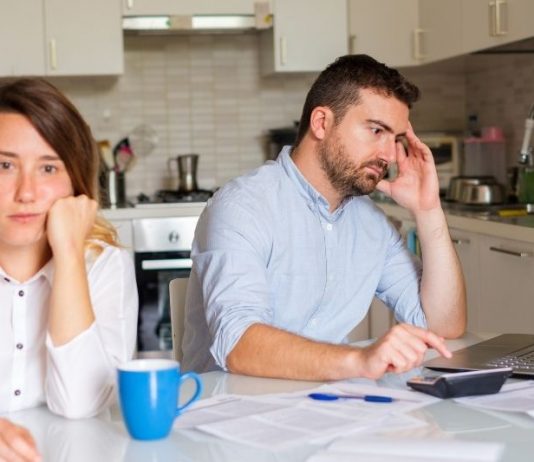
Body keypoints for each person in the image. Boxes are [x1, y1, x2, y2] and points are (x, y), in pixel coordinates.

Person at [182, 54, 466, 381]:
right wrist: (359, 360)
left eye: (396, 139)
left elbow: (444, 325)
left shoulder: (373, 226)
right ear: (321, 123)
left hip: (325, 406)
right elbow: (238, 342)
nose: (389, 155)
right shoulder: (243, 207)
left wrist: (428, 211)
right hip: (230, 411)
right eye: (376, 130)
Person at [0, 78, 138, 461]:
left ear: (75, 181)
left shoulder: (106, 263)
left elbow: (82, 402)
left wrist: (69, 255)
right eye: (5, 165)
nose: (25, 192)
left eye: (47, 168)